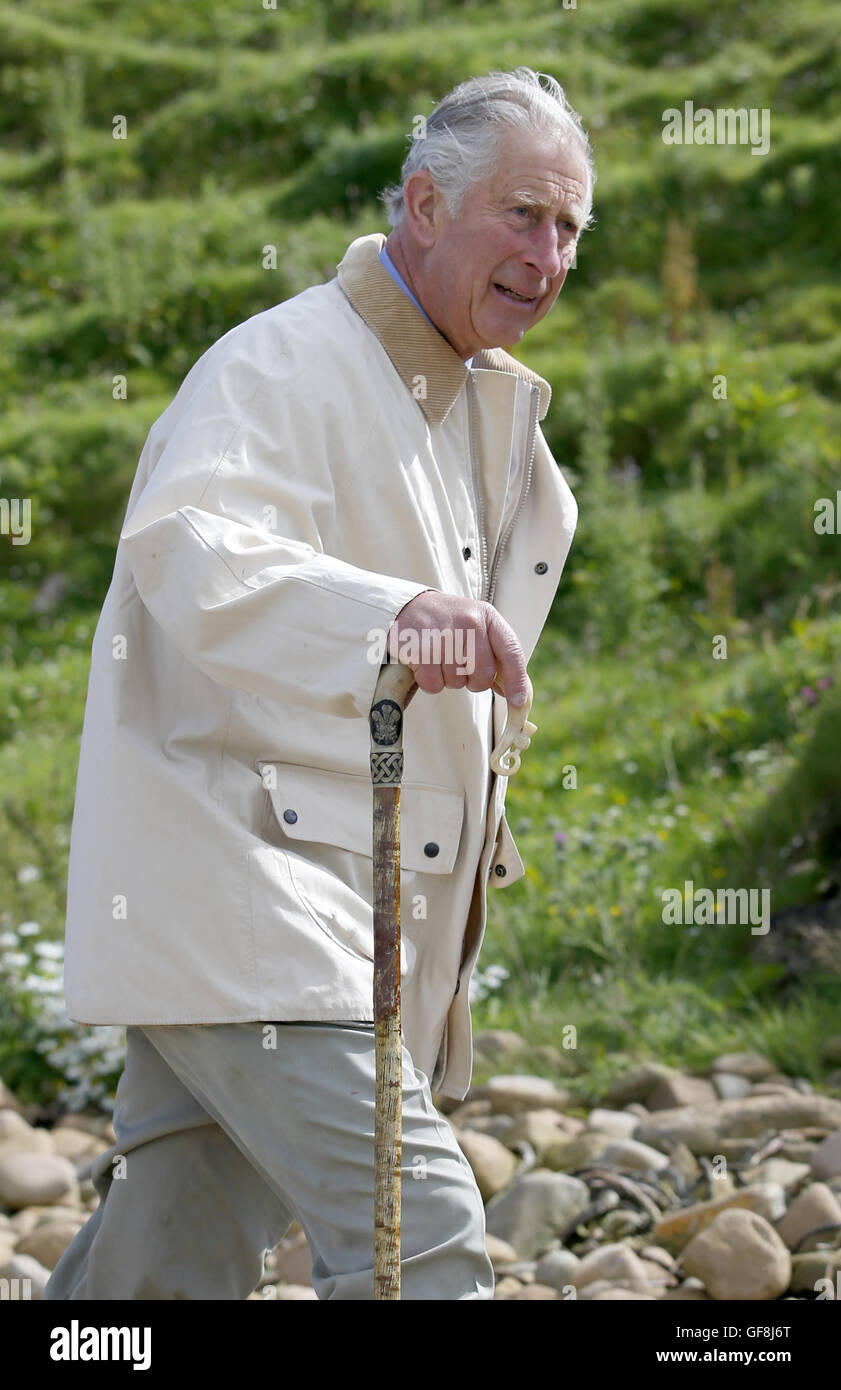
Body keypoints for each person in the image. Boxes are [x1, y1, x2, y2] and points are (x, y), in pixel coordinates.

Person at [44, 65, 593, 1301]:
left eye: (568, 226)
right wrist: (391, 614)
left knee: (160, 1265)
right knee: (425, 1238)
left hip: (320, 917)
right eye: (522, 214)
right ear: (421, 203)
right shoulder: (278, 366)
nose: (548, 252)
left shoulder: (491, 413)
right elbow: (194, 551)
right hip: (248, 896)